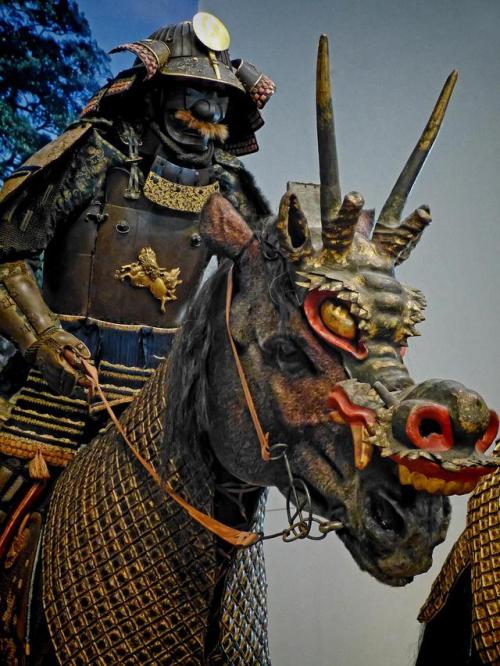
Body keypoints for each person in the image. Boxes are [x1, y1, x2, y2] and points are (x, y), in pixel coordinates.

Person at [0, 12, 274, 485]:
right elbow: (4, 252)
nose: (206, 112)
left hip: (162, 403)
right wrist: (41, 338)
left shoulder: (227, 184)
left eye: (217, 100)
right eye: (193, 96)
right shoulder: (94, 154)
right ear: (154, 94)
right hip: (63, 388)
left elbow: (267, 282)